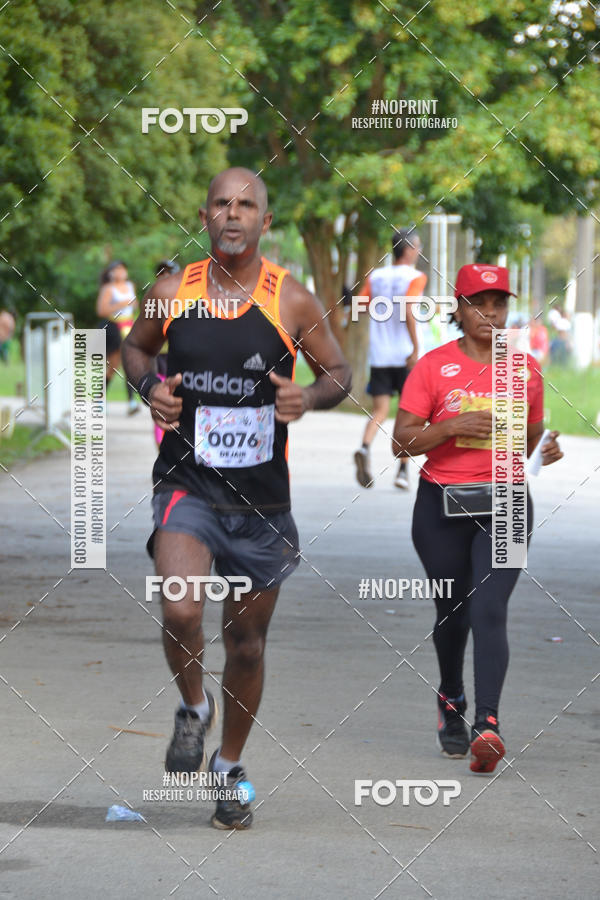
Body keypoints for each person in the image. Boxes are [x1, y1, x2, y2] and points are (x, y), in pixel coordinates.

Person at [122, 168, 351, 829]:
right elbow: (137, 350)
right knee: (180, 608)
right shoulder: (173, 291)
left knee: (245, 643)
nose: (233, 214)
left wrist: (305, 397)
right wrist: (150, 389)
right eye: (221, 202)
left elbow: (339, 371)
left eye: (246, 204)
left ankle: (228, 765)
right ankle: (194, 706)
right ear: (204, 216)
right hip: (186, 485)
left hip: (260, 502)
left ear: (264, 222)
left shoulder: (292, 301)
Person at [392, 263, 563, 774]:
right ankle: (451, 698)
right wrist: (452, 426)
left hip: (507, 501)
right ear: (459, 308)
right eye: (478, 303)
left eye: (499, 304)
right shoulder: (432, 366)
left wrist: (543, 451)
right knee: (453, 612)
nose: (489, 313)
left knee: (489, 607)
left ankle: (487, 724)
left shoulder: (524, 368)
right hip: (442, 506)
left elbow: (532, 436)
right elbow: (402, 440)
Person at [353, 228, 426, 490]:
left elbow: (359, 306)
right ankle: (403, 472)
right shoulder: (416, 277)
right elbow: (408, 309)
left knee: (380, 411)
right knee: (407, 416)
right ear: (408, 250)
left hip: (380, 355)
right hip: (405, 356)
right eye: (417, 247)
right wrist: (416, 347)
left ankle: (364, 447)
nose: (419, 252)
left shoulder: (377, 276)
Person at [96, 261, 140, 414]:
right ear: (111, 273)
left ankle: (132, 402)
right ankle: (99, 399)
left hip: (129, 326)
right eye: (117, 270)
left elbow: (135, 305)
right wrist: (122, 303)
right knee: (113, 366)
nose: (120, 273)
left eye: (122, 269)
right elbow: (102, 310)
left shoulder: (130, 286)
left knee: (129, 364)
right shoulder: (108, 289)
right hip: (114, 327)